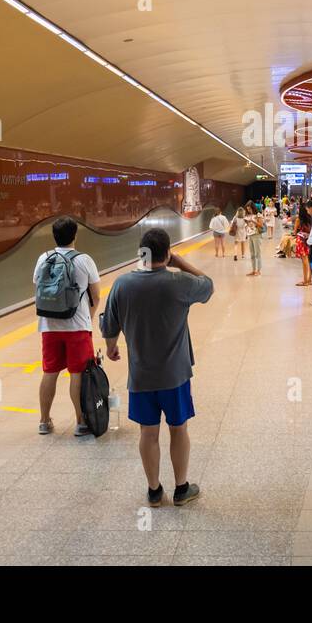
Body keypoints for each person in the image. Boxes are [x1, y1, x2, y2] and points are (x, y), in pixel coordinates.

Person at [100, 228, 212, 507]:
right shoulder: (179, 283)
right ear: (167, 254)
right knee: (178, 429)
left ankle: (153, 490)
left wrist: (112, 347)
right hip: (175, 375)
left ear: (141, 254)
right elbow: (208, 285)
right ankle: (182, 488)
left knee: (147, 433)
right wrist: (180, 261)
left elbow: (109, 326)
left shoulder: (122, 285)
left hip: (140, 377)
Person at [33, 216, 101, 436]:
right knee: (77, 373)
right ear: (75, 235)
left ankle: (44, 421)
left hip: (49, 326)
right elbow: (97, 295)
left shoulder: (44, 258)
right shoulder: (84, 260)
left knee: (49, 371)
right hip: (77, 326)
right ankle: (81, 422)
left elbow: (38, 286)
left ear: (54, 236)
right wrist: (87, 319)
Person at [245, 206, 263, 277]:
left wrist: (253, 221)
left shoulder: (258, 215)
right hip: (250, 235)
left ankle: (258, 271)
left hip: (256, 235)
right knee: (252, 254)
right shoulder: (248, 215)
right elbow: (248, 225)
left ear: (253, 208)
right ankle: (253, 270)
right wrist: (247, 223)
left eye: (250, 209)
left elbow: (261, 225)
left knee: (257, 253)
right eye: (247, 209)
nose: (249, 210)